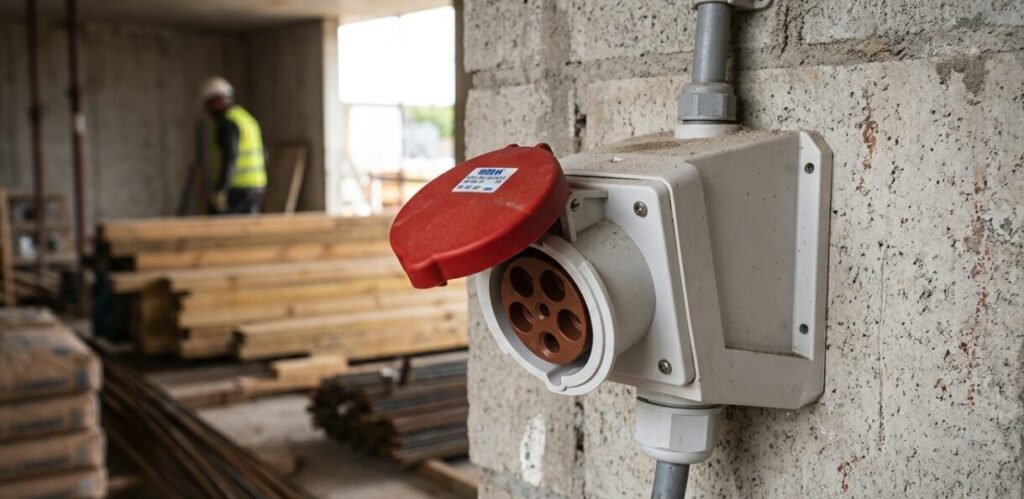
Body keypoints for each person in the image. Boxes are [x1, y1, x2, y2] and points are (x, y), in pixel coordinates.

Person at [200, 76, 267, 214]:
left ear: (217, 101)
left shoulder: (228, 124)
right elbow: (264, 153)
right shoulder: (246, 119)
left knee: (218, 228)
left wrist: (220, 189)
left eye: (208, 104)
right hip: (256, 187)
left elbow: (230, 157)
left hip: (237, 189)